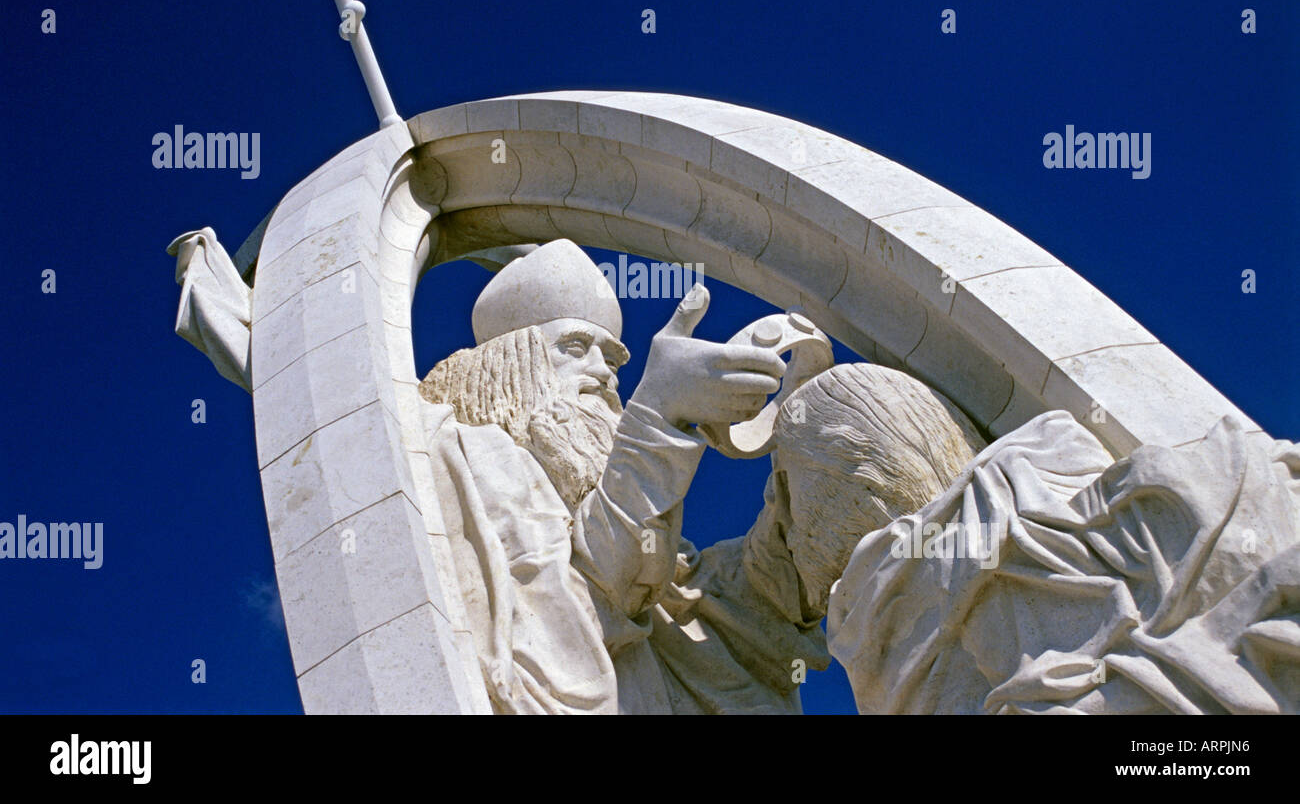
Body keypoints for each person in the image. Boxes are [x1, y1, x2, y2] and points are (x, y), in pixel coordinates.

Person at [769, 362, 1300, 714]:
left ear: (849, 468)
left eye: (788, 487)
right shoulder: (1048, 467)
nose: (786, 530)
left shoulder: (1024, 497)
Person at [420, 238, 811, 713]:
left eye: (613, 359)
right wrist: (660, 417)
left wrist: (808, 495)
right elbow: (587, 597)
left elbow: (708, 610)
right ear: (508, 363)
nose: (603, 372)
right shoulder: (474, 455)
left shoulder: (640, 518)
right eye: (576, 347)